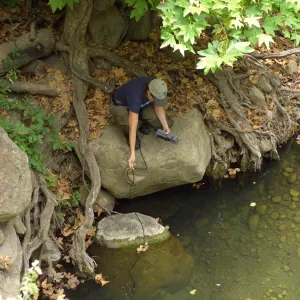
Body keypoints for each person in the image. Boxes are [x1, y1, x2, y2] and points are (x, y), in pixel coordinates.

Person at [110, 77, 174, 169]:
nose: (157, 102)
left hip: (141, 105)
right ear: (148, 93)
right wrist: (132, 153)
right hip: (122, 105)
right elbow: (132, 126)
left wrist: (165, 126)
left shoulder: (156, 86)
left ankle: (141, 120)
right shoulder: (135, 96)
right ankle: (136, 126)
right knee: (130, 126)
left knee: (163, 123)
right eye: (156, 99)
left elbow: (158, 106)